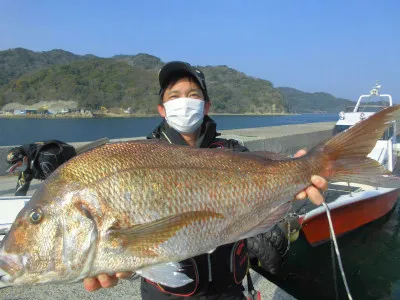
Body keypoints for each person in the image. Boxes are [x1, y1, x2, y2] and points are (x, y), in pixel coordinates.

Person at [83, 61, 328, 299]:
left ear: (206, 106)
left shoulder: (234, 153)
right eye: (174, 96)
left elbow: (270, 176)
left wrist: (302, 169)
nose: (184, 102)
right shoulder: (138, 159)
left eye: (193, 95)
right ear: (162, 109)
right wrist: (128, 264)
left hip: (229, 291)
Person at [5, 140, 76, 196]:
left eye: (16, 166)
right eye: (13, 169)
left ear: (25, 159)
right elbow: (21, 188)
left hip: (71, 167)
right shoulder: (27, 164)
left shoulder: (46, 160)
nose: (16, 170)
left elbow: (54, 184)